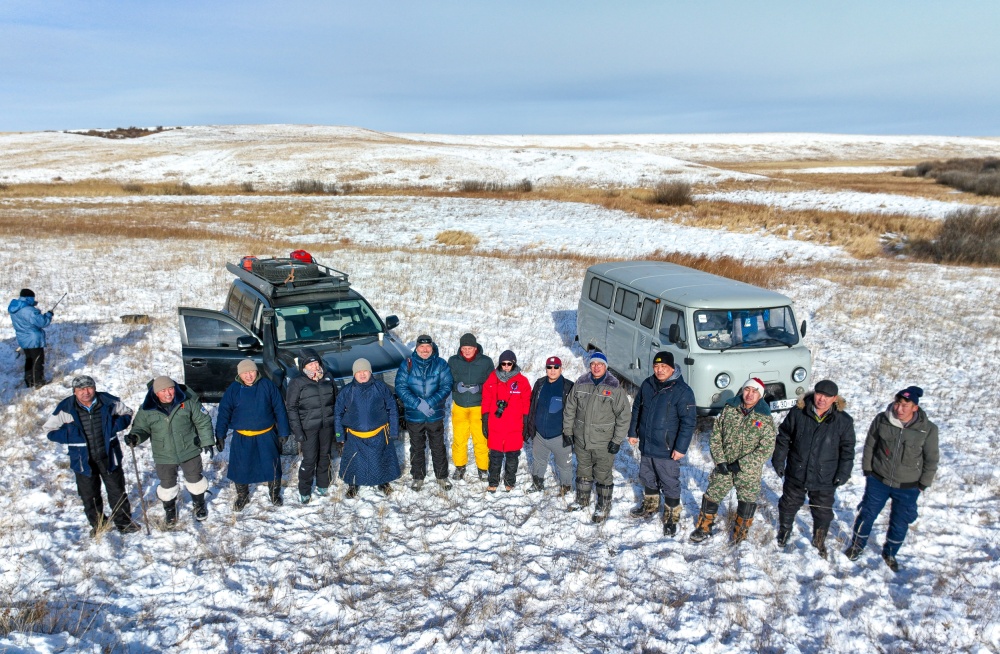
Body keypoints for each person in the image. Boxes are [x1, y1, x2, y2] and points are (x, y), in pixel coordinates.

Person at [845, 386, 939, 572]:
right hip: (878, 480)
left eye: (905, 405)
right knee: (867, 514)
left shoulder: (927, 430)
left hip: (908, 486)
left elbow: (931, 458)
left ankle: (890, 553)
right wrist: (868, 470)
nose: (899, 409)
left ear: (915, 407)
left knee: (899, 522)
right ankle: (856, 546)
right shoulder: (882, 419)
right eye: (898, 403)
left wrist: (923, 484)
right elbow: (870, 445)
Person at [43, 375, 141, 536]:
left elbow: (127, 413)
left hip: (109, 455)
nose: (86, 392)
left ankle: (123, 523)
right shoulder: (66, 407)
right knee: (89, 495)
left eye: (89, 388)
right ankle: (98, 525)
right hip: (83, 460)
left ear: (94, 388)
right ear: (74, 392)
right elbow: (49, 430)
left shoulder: (108, 401)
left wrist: (114, 426)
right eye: (81, 389)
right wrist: (70, 434)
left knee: (117, 490)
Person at [771, 379, 855, 556]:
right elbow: (784, 437)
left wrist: (843, 473)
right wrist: (779, 460)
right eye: (819, 394)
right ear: (814, 393)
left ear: (834, 399)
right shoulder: (798, 413)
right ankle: (784, 531)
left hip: (825, 476)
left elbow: (847, 450)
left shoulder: (843, 421)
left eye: (827, 396)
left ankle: (819, 540)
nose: (822, 399)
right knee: (788, 504)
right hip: (797, 470)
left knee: (823, 512)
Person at [690, 378, 777, 544]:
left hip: (748, 471)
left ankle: (740, 535)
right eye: (747, 389)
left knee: (747, 501)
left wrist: (741, 464)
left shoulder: (764, 418)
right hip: (725, 466)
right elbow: (716, 435)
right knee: (712, 495)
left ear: (761, 395)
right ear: (742, 390)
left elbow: (766, 449)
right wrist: (720, 460)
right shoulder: (729, 410)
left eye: (755, 391)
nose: (750, 394)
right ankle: (704, 527)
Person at [125, 375, 216, 526]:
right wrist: (135, 437)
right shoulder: (147, 409)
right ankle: (170, 510)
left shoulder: (187, 402)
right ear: (156, 393)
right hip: (163, 454)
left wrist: (206, 440)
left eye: (171, 389)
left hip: (189, 448)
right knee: (167, 485)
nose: (168, 393)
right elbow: (141, 428)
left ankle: (199, 505)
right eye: (163, 390)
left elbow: (203, 420)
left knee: (195, 479)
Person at [627, 351, 696, 537]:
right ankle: (650, 507)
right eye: (656, 367)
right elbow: (637, 408)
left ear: (672, 368)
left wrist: (681, 448)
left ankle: (671, 517)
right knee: (647, 476)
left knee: (669, 482)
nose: (659, 370)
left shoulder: (682, 391)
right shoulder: (648, 384)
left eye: (664, 367)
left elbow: (688, 422)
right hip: (648, 443)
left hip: (667, 448)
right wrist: (633, 431)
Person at [563, 352, 630, 523]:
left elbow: (623, 416)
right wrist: (568, 432)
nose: (596, 367)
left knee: (602, 474)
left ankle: (603, 505)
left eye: (600, 364)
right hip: (581, 440)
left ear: (605, 367)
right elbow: (570, 409)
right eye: (593, 364)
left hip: (604, 442)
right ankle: (582, 500)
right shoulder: (581, 383)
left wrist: (616, 440)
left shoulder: (614, 387)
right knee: (583, 471)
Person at [215, 359, 291, 510]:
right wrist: (220, 434)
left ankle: (274, 494)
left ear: (256, 371)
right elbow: (224, 412)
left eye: (251, 371)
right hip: (242, 437)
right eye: (244, 373)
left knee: (272, 466)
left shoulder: (267, 386)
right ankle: (242, 496)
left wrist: (283, 431)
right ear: (239, 375)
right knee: (241, 467)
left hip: (266, 434)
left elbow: (280, 409)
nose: (248, 376)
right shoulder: (233, 389)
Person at [334, 358, 401, 497]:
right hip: (354, 436)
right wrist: (339, 434)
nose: (362, 374)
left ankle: (383, 483)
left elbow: (392, 408)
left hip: (379, 434)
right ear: (354, 374)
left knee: (380, 460)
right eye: (359, 371)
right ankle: (353, 485)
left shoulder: (381, 387)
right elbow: (338, 413)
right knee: (354, 463)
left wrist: (394, 431)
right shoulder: (347, 391)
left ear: (370, 372)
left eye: (365, 371)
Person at [395, 334, 454, 491]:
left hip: (434, 414)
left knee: (438, 446)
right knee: (416, 446)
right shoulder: (407, 364)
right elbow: (400, 387)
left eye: (428, 347)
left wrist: (430, 402)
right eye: (422, 347)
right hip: (414, 415)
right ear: (417, 348)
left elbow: (446, 386)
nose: (425, 350)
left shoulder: (441, 364)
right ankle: (418, 476)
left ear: (432, 347)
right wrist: (418, 403)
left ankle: (442, 476)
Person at [286, 348, 337, 504]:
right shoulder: (297, 382)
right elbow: (291, 408)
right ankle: (305, 490)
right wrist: (297, 431)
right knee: (309, 459)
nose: (314, 366)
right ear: (304, 367)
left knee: (325, 455)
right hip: (308, 428)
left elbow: (336, 400)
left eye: (316, 363)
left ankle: (323, 484)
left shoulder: (327, 378)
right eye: (310, 364)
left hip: (327, 425)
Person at [481, 350, 531, 492]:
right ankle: (493, 481)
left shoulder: (522, 381)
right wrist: (485, 418)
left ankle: (509, 481)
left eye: (509, 363)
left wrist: (526, 421)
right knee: (495, 456)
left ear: (514, 363)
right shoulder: (491, 378)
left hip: (514, 426)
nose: (506, 366)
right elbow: (486, 399)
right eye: (503, 364)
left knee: (512, 457)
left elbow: (526, 402)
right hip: (496, 425)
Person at [447, 332, 494, 481]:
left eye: (470, 348)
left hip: (478, 407)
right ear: (460, 348)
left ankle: (483, 468)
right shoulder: (453, 361)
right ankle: (460, 467)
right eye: (464, 348)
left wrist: (479, 388)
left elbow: (493, 383)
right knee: (459, 439)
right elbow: (446, 381)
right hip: (460, 406)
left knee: (480, 439)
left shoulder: (486, 362)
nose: (467, 351)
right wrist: (456, 386)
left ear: (475, 348)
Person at [525, 356, 574, 495]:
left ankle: (566, 489)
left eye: (556, 367)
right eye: (549, 367)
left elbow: (575, 412)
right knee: (538, 462)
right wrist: (530, 428)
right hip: (540, 435)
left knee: (564, 466)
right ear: (546, 369)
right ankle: (537, 484)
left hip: (560, 436)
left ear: (561, 369)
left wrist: (571, 433)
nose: (552, 370)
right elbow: (533, 406)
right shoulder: (540, 384)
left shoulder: (569, 387)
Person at [8, 288, 54, 388]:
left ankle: (29, 382)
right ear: (29, 298)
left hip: (22, 338)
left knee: (29, 359)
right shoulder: (30, 310)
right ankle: (38, 382)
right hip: (33, 339)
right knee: (37, 360)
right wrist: (48, 315)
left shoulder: (15, 308)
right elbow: (42, 322)